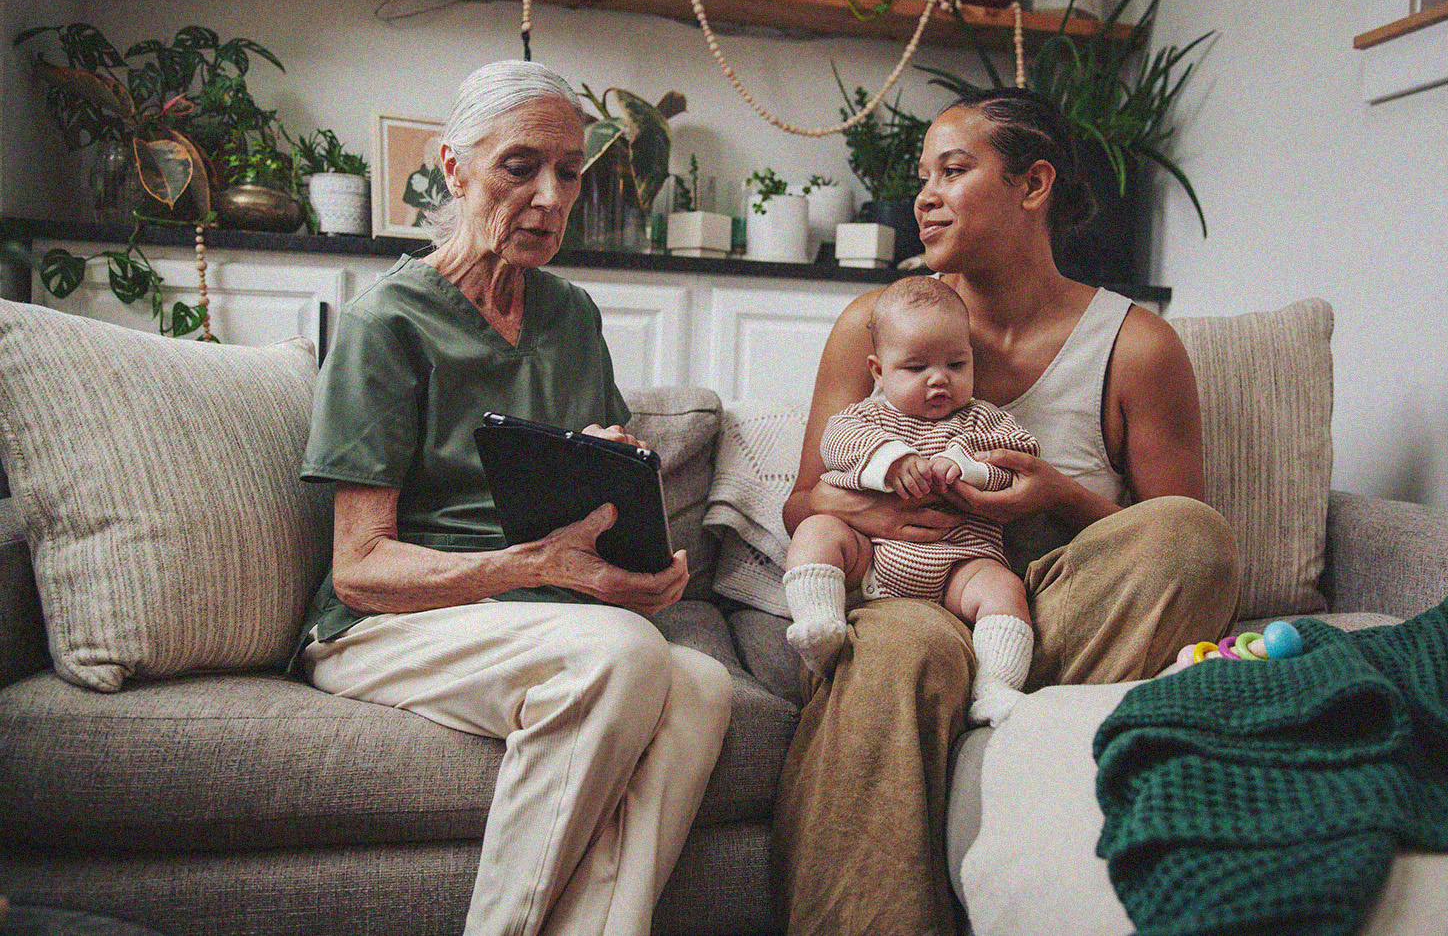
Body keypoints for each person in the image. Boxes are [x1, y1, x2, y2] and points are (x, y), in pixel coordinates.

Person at [773, 87, 1241, 936]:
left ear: (1034, 186)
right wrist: (883, 509)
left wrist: (1055, 492)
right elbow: (804, 501)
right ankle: (979, 743)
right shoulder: (875, 325)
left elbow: (1173, 546)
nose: (924, 195)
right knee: (904, 649)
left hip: (1057, 616)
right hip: (909, 599)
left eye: (954, 170)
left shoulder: (1135, 345)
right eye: (923, 175)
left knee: (1195, 539)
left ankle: (992, 716)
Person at [295, 60, 733, 936]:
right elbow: (360, 569)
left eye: (569, 172)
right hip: (388, 624)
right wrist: (539, 566)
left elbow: (597, 498)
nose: (549, 195)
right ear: (453, 169)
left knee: (704, 687)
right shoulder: (386, 324)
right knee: (619, 653)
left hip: (541, 616)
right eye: (519, 166)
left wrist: (633, 532)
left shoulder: (572, 315)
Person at [782, 275, 1039, 726]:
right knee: (817, 530)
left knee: (1005, 589)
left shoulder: (983, 419)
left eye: (956, 365)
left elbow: (1020, 454)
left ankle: (997, 686)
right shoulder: (868, 416)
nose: (939, 380)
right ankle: (818, 626)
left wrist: (968, 467)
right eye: (916, 368)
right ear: (878, 371)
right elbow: (836, 444)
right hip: (873, 561)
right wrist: (891, 462)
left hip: (959, 565)